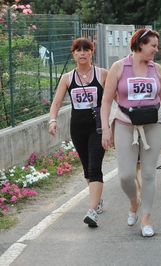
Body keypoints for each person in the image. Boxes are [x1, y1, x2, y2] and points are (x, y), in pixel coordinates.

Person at [100, 28, 161, 237]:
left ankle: (146, 218)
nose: (156, 50)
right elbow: (106, 101)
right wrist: (105, 131)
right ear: (140, 45)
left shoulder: (157, 69)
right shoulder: (118, 67)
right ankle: (134, 201)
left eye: (156, 46)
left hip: (153, 124)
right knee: (125, 175)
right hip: (125, 123)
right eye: (153, 46)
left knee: (148, 174)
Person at [48, 37, 108, 227]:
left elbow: (115, 97)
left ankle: (92, 210)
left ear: (92, 52)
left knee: (94, 166)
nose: (82, 53)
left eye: (86, 50)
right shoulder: (67, 78)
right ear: (73, 54)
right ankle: (97, 199)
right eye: (78, 50)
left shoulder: (102, 74)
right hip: (78, 129)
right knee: (86, 169)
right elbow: (56, 102)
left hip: (98, 127)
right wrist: (52, 120)